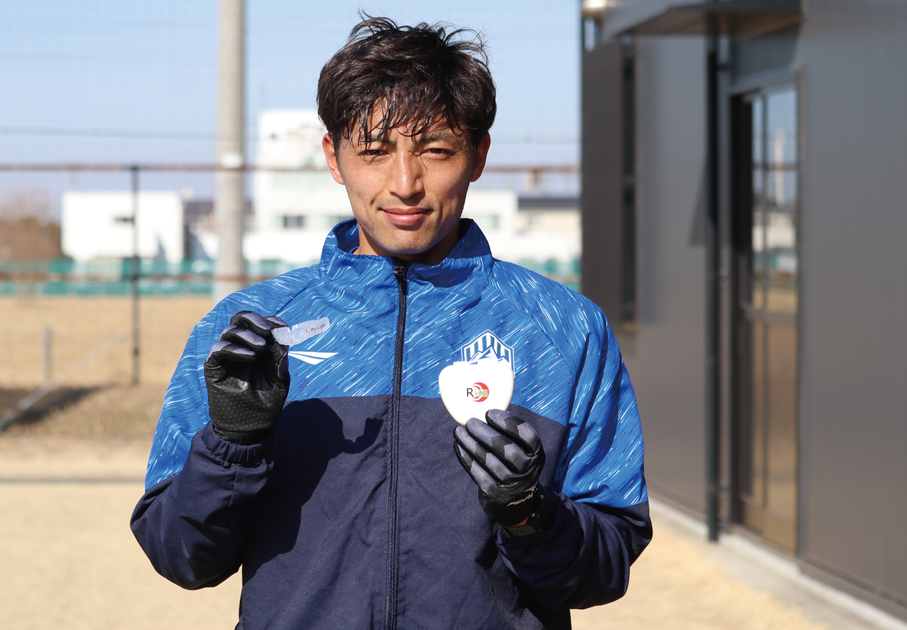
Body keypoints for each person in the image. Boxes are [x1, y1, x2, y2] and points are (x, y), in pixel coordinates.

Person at [131, 17, 650, 630]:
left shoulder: (565, 329)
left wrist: (529, 515)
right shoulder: (250, 332)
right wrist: (234, 443)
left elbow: (607, 565)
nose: (405, 184)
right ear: (334, 157)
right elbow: (181, 555)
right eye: (374, 152)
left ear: (478, 156)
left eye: (436, 150)